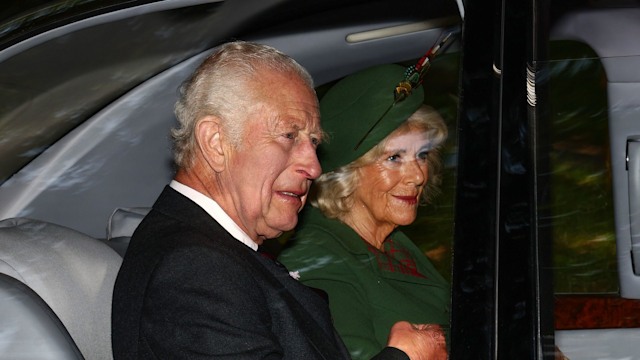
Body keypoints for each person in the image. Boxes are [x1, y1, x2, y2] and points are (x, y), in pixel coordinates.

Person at [111, 41, 447, 360]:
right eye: (289, 135)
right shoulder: (194, 270)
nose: (314, 166)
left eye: (314, 142)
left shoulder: (217, 254)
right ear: (215, 142)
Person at [278, 63, 451, 360]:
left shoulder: (393, 244)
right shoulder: (316, 258)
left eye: (422, 155)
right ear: (348, 172)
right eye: (394, 157)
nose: (418, 176)